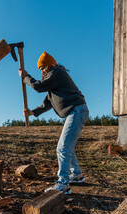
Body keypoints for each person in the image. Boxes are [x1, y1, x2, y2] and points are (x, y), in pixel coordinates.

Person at [18, 51, 89, 195]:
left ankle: (63, 184)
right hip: (76, 111)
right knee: (67, 146)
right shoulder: (54, 79)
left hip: (77, 111)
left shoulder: (57, 72)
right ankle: (76, 174)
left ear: (51, 64)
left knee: (62, 148)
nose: (42, 71)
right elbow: (48, 103)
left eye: (43, 67)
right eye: (40, 69)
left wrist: (25, 77)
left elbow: (38, 87)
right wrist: (32, 112)